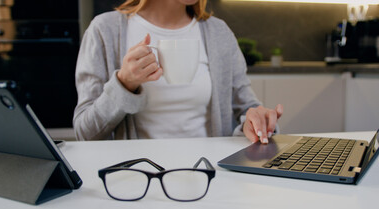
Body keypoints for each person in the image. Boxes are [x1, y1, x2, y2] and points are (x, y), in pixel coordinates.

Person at [73, 0, 283, 144]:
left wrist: (257, 121)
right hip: (139, 179)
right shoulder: (104, 30)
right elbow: (86, 133)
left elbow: (246, 109)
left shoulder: (219, 32)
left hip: (208, 175)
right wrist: (124, 83)